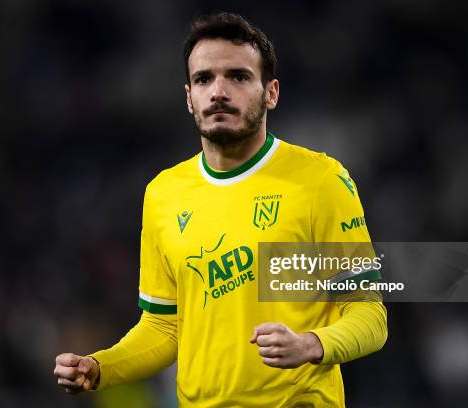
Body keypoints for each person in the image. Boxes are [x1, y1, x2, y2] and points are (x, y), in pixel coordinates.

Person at [54, 12, 387, 407]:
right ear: (188, 97)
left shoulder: (320, 181)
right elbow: (165, 326)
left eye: (239, 76)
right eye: (203, 79)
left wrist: (312, 344)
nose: (219, 92)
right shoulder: (164, 194)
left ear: (271, 92)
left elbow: (370, 317)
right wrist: (102, 366)